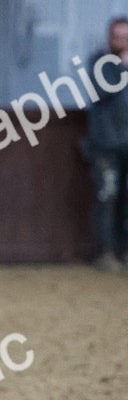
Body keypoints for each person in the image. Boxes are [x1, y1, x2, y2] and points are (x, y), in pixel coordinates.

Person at [85, 16, 128, 271]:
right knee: (107, 197)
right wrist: (123, 68)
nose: (122, 42)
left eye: (126, 37)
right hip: (106, 144)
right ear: (110, 38)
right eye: (118, 37)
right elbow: (102, 91)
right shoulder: (99, 62)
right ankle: (106, 253)